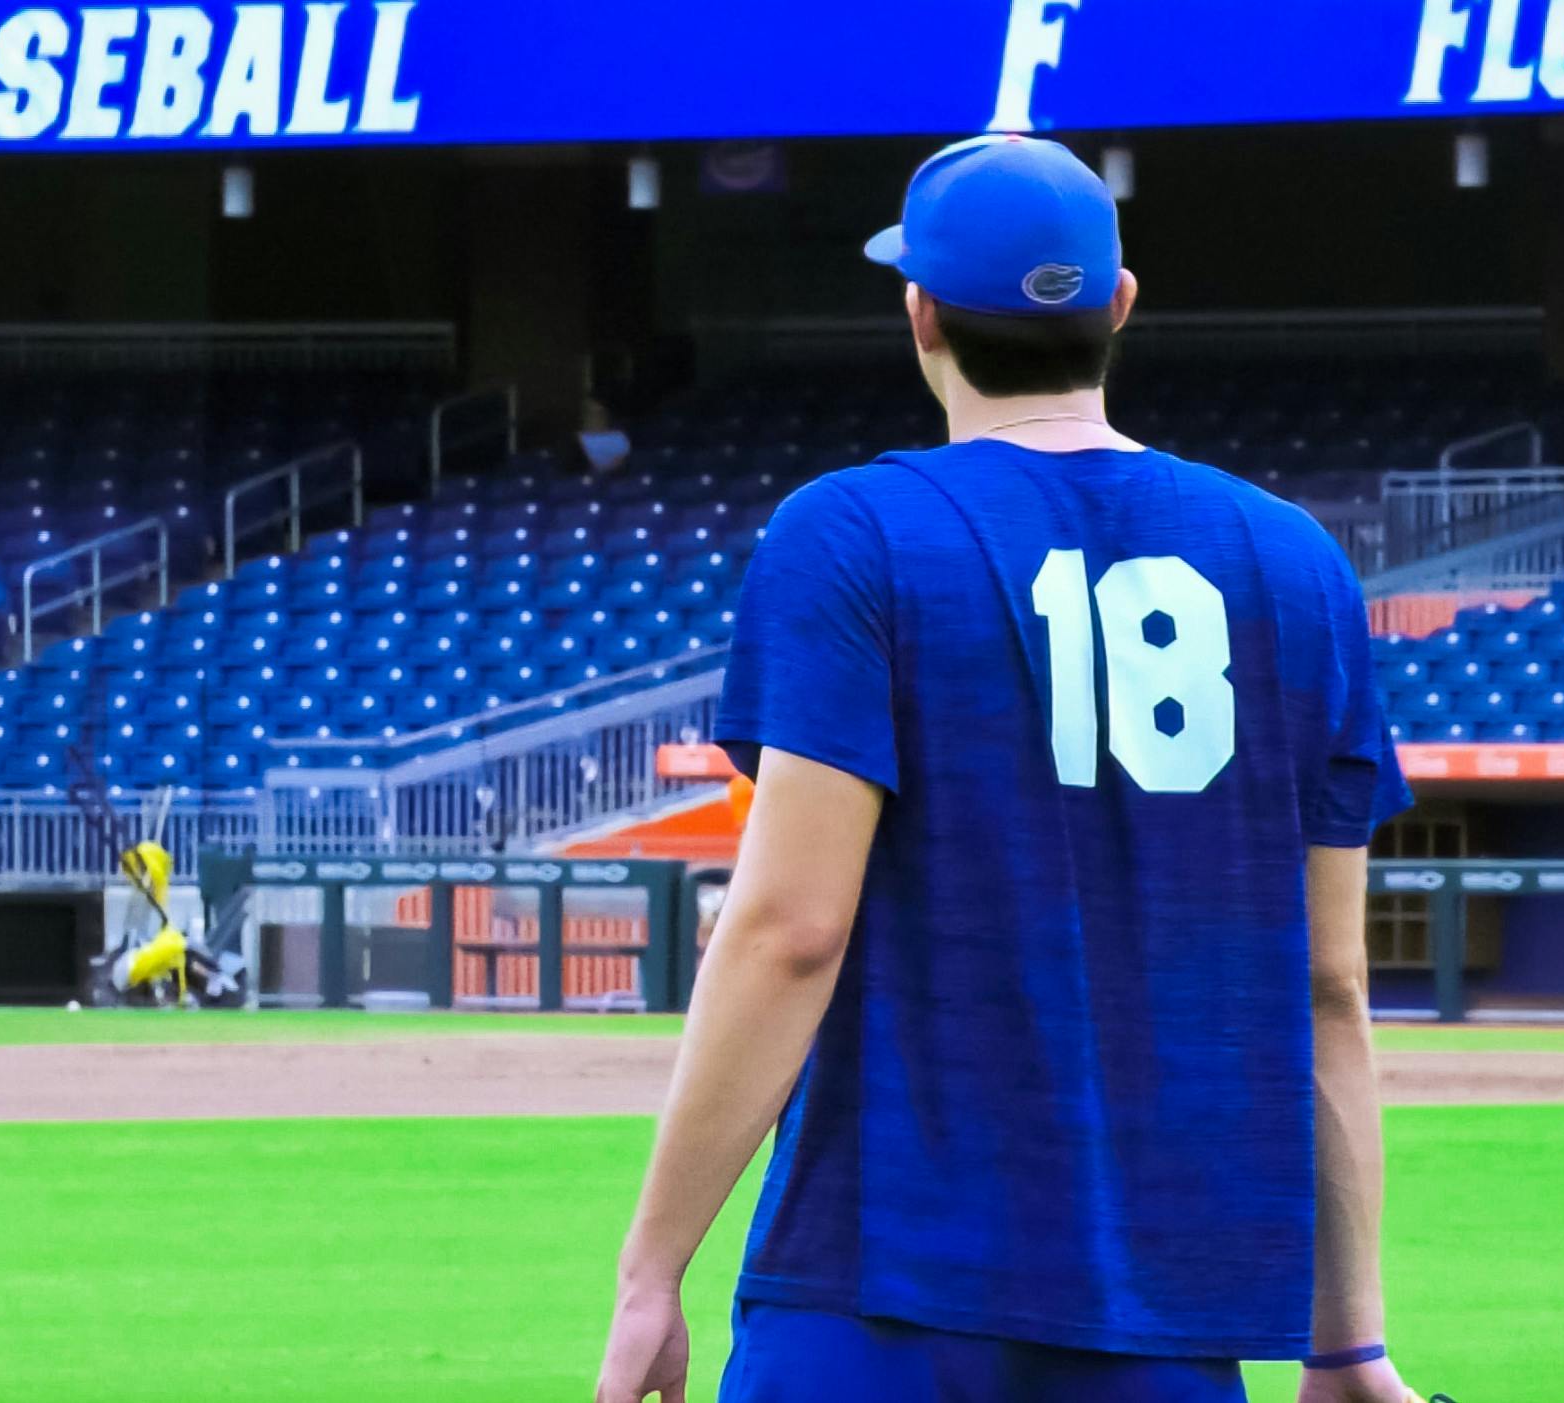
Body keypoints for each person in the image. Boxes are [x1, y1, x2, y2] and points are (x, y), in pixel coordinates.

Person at [597, 135, 1437, 1403]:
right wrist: (1347, 1343)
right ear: (1119, 304)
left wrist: (651, 1267)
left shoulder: (851, 531)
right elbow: (1327, 987)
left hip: (880, 1282)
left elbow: (790, 932)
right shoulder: (1294, 560)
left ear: (919, 313)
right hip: (1162, 1312)